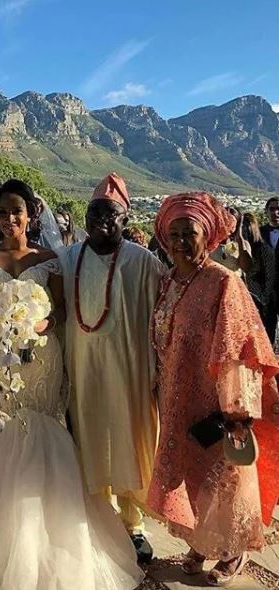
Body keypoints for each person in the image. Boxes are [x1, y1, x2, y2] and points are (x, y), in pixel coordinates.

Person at [0, 179, 144, 590]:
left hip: (44, 360)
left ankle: (60, 534)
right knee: (13, 436)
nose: (10, 219)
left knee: (47, 430)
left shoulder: (51, 259)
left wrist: (36, 325)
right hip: (5, 366)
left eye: (17, 211)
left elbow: (60, 311)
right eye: (2, 212)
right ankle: (10, 539)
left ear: (31, 215)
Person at [148, 192, 279, 586]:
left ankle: (233, 550)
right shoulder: (169, 280)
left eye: (190, 233)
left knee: (224, 475)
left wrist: (236, 408)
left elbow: (240, 345)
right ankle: (201, 543)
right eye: (174, 234)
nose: (181, 242)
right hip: (177, 393)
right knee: (191, 474)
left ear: (208, 237)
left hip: (216, 398)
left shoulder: (224, 283)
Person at [64, 173, 166, 563]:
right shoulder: (69, 257)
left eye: (112, 213)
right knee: (89, 440)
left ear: (126, 218)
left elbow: (163, 317)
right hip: (83, 371)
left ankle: (133, 525)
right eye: (94, 211)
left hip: (130, 373)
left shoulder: (144, 262)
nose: (101, 219)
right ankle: (98, 519)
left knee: (129, 442)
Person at [242, 212, 275, 340]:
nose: (243, 231)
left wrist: (264, 300)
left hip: (261, 301)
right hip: (245, 298)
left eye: (245, 227)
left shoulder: (263, 249)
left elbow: (270, 277)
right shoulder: (238, 249)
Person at [209, 206, 252, 276]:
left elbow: (246, 268)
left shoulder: (241, 245)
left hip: (233, 284)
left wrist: (240, 239)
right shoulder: (209, 243)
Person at [260, 196, 279, 343]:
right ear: (267, 211)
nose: (276, 212)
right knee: (267, 330)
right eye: (272, 209)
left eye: (278, 209)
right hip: (266, 291)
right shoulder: (259, 234)